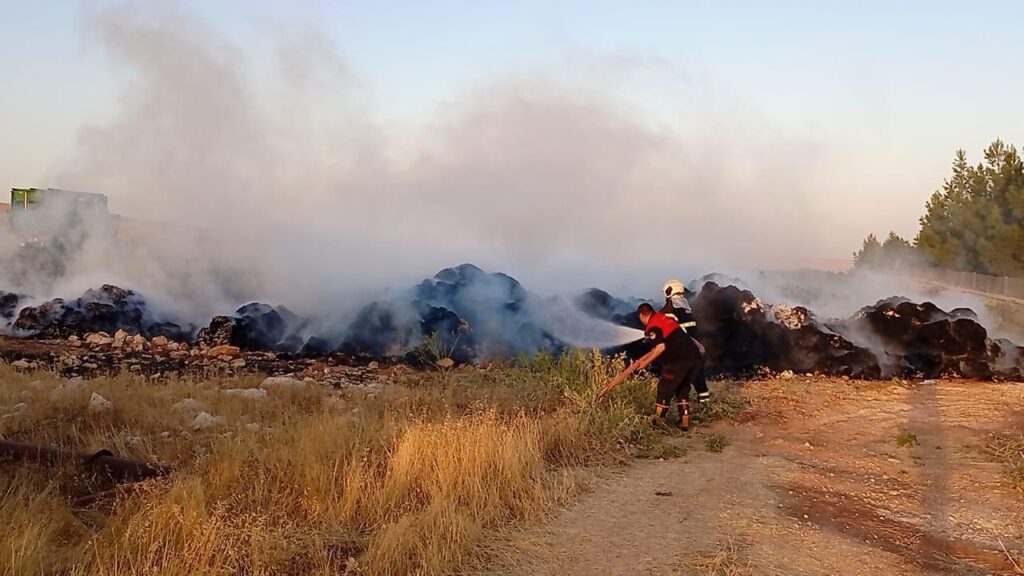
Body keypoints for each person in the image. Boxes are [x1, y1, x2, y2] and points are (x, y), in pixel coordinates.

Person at [597, 303, 702, 431]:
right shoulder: (663, 319)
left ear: (641, 315)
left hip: (677, 360)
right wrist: (641, 361)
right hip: (692, 356)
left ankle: (658, 420)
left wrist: (645, 364)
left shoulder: (653, 326)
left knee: (664, 387)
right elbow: (655, 349)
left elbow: (660, 348)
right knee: (682, 388)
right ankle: (684, 422)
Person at [660, 279, 711, 403]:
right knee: (698, 379)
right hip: (695, 346)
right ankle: (705, 405)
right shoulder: (686, 306)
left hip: (681, 350)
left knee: (676, 382)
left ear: (669, 291)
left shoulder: (670, 308)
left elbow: (664, 327)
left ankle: (666, 407)